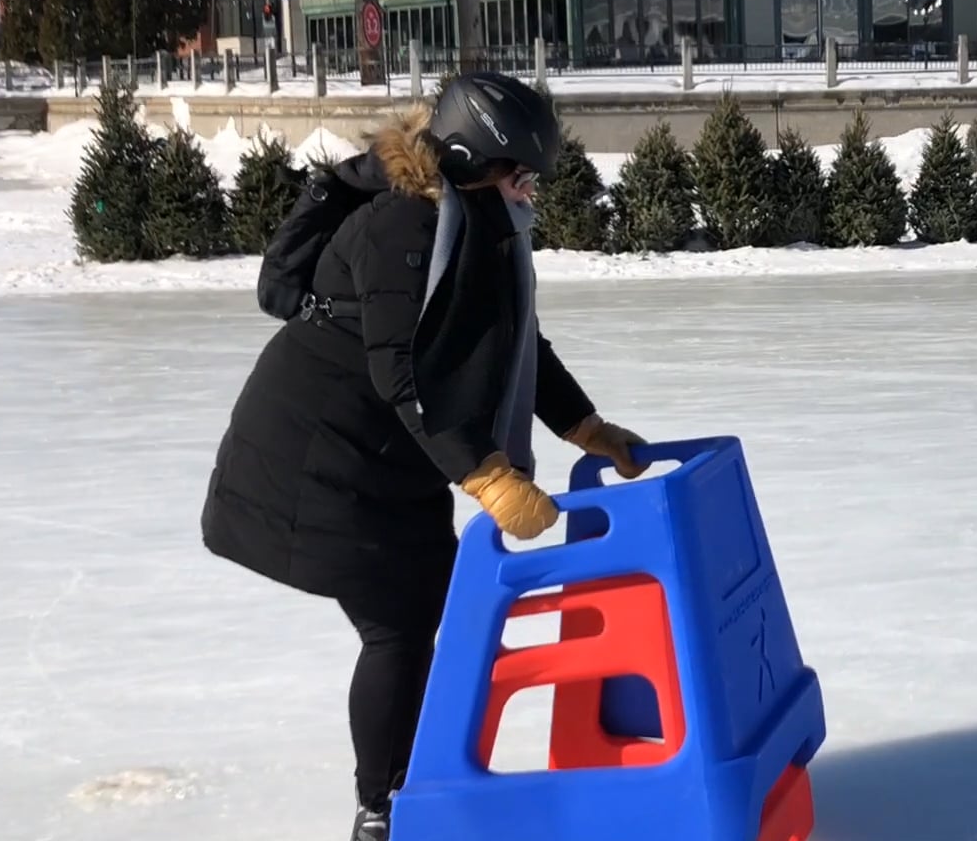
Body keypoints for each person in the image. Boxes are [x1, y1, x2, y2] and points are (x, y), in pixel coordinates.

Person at [200, 72, 646, 841]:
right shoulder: (401, 228)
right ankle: (384, 810)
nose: (532, 192)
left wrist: (584, 426)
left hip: (390, 456)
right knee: (397, 626)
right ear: (476, 162)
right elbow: (400, 368)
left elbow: (514, 342)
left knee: (420, 613)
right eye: (522, 175)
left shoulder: (471, 224)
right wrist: (485, 473)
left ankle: (414, 786)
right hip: (316, 457)